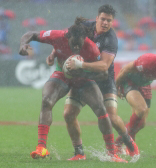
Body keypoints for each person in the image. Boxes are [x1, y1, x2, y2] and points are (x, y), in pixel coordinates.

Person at [19, 17, 127, 163]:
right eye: (73, 45)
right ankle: (42, 147)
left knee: (101, 109)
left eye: (79, 45)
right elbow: (31, 34)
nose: (76, 48)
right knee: (46, 100)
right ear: (67, 36)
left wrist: (82, 70)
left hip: (84, 79)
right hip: (62, 75)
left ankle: (112, 154)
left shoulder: (91, 47)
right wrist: (23, 45)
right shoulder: (57, 35)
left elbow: (103, 73)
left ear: (85, 38)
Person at [49, 4, 139, 160]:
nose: (105, 23)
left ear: (112, 22)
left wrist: (80, 65)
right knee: (68, 114)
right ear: (97, 18)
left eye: (109, 21)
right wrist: (53, 53)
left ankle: (129, 143)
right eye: (103, 19)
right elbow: (65, 38)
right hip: (83, 78)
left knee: (111, 117)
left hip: (104, 79)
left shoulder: (111, 39)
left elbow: (104, 65)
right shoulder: (84, 27)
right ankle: (79, 153)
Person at [114, 46, 156, 150]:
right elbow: (125, 69)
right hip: (129, 81)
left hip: (145, 84)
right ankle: (125, 145)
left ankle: (121, 143)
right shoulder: (148, 60)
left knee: (141, 124)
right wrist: (116, 87)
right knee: (141, 109)